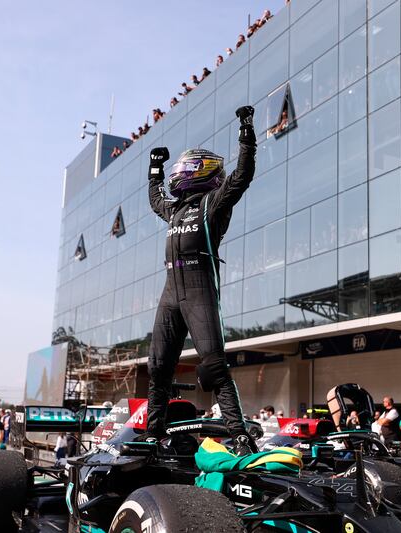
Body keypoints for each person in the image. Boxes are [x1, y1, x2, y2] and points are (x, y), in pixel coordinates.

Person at [143, 105, 257, 455]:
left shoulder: (213, 203)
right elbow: (154, 199)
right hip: (170, 295)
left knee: (214, 364)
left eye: (183, 168)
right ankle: (153, 434)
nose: (180, 173)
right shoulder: (174, 209)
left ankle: (239, 435)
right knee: (158, 367)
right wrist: (154, 171)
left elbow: (241, 176)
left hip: (199, 291)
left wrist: (246, 133)